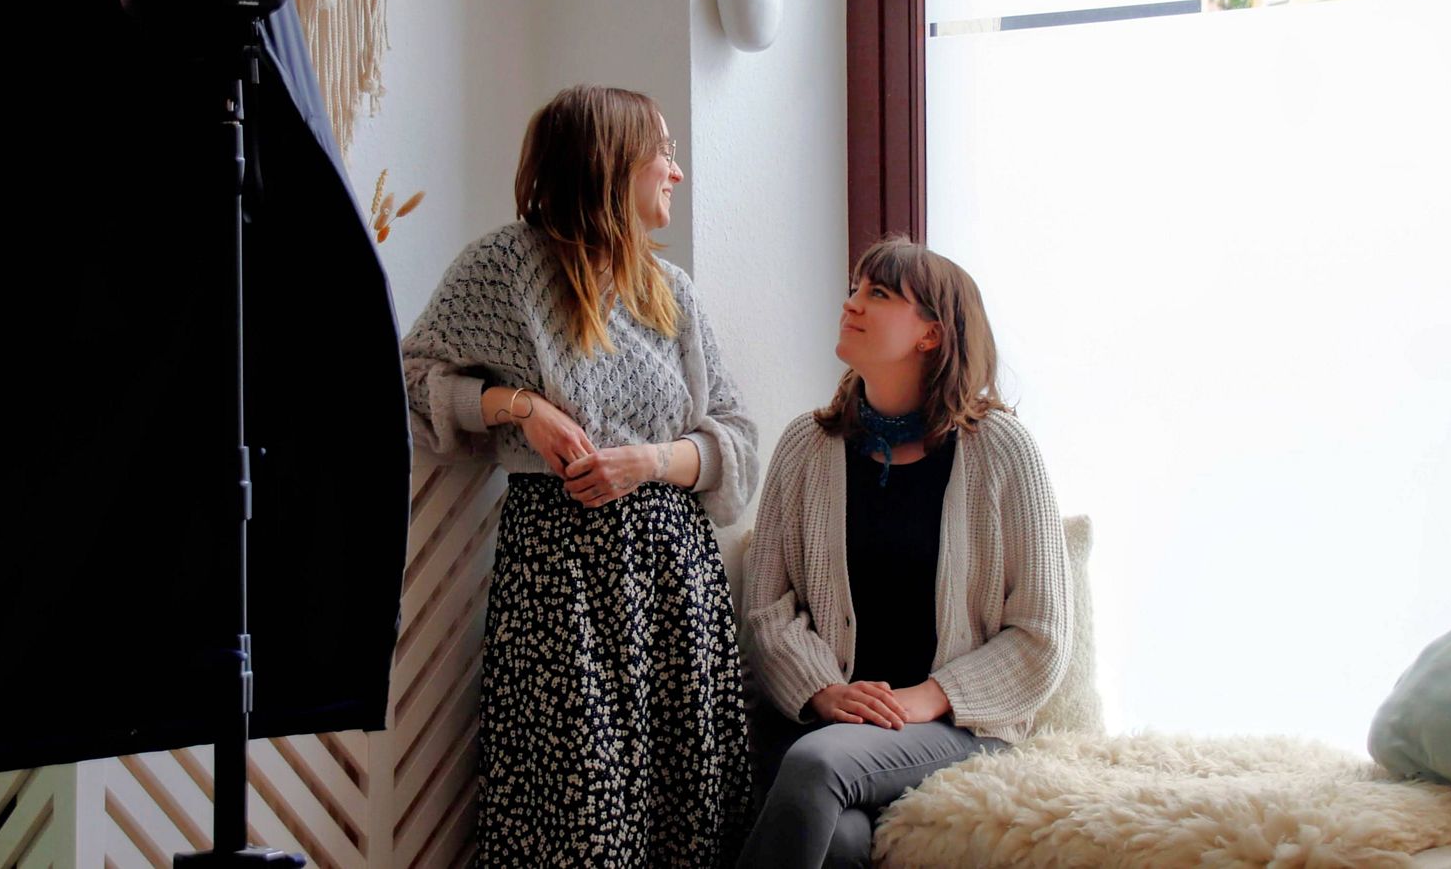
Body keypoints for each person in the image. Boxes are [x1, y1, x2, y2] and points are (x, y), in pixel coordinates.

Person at [401, 85, 758, 867]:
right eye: (661, 151)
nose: (676, 171)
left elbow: (735, 436)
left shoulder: (670, 292)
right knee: (572, 814)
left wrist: (654, 461)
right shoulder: (505, 267)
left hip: (674, 581)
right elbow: (411, 379)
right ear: (610, 161)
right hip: (561, 579)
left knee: (685, 811)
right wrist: (516, 405)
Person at [737, 236, 1071, 868]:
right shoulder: (805, 446)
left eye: (879, 293)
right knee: (840, 843)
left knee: (816, 764)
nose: (852, 303)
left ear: (931, 335)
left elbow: (1042, 633)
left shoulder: (1003, 450)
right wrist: (822, 692)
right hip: (822, 721)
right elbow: (768, 609)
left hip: (952, 731)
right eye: (855, 288)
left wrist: (931, 695)